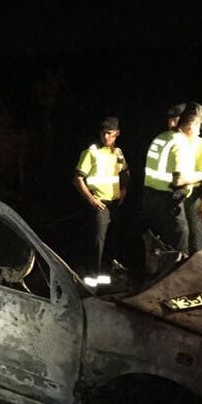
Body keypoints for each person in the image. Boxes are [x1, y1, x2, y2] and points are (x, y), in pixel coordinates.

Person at [141, 105, 202, 254]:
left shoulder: (161, 137)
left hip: (151, 196)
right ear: (193, 125)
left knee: (175, 240)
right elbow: (178, 180)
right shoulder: (181, 143)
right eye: (199, 128)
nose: (199, 133)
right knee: (180, 244)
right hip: (170, 198)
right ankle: (180, 273)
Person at [74, 116, 128, 281]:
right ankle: (92, 276)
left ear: (117, 133)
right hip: (100, 203)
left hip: (114, 203)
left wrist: (124, 190)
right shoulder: (91, 152)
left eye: (110, 133)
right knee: (97, 242)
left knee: (111, 240)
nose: (106, 137)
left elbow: (125, 172)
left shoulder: (117, 152)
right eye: (104, 133)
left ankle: (106, 277)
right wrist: (91, 199)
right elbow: (77, 178)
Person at [167, 102, 202, 254]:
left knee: (195, 239)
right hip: (171, 196)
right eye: (169, 119)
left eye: (175, 119)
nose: (171, 123)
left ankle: (196, 273)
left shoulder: (201, 144)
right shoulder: (169, 141)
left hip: (193, 197)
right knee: (176, 239)